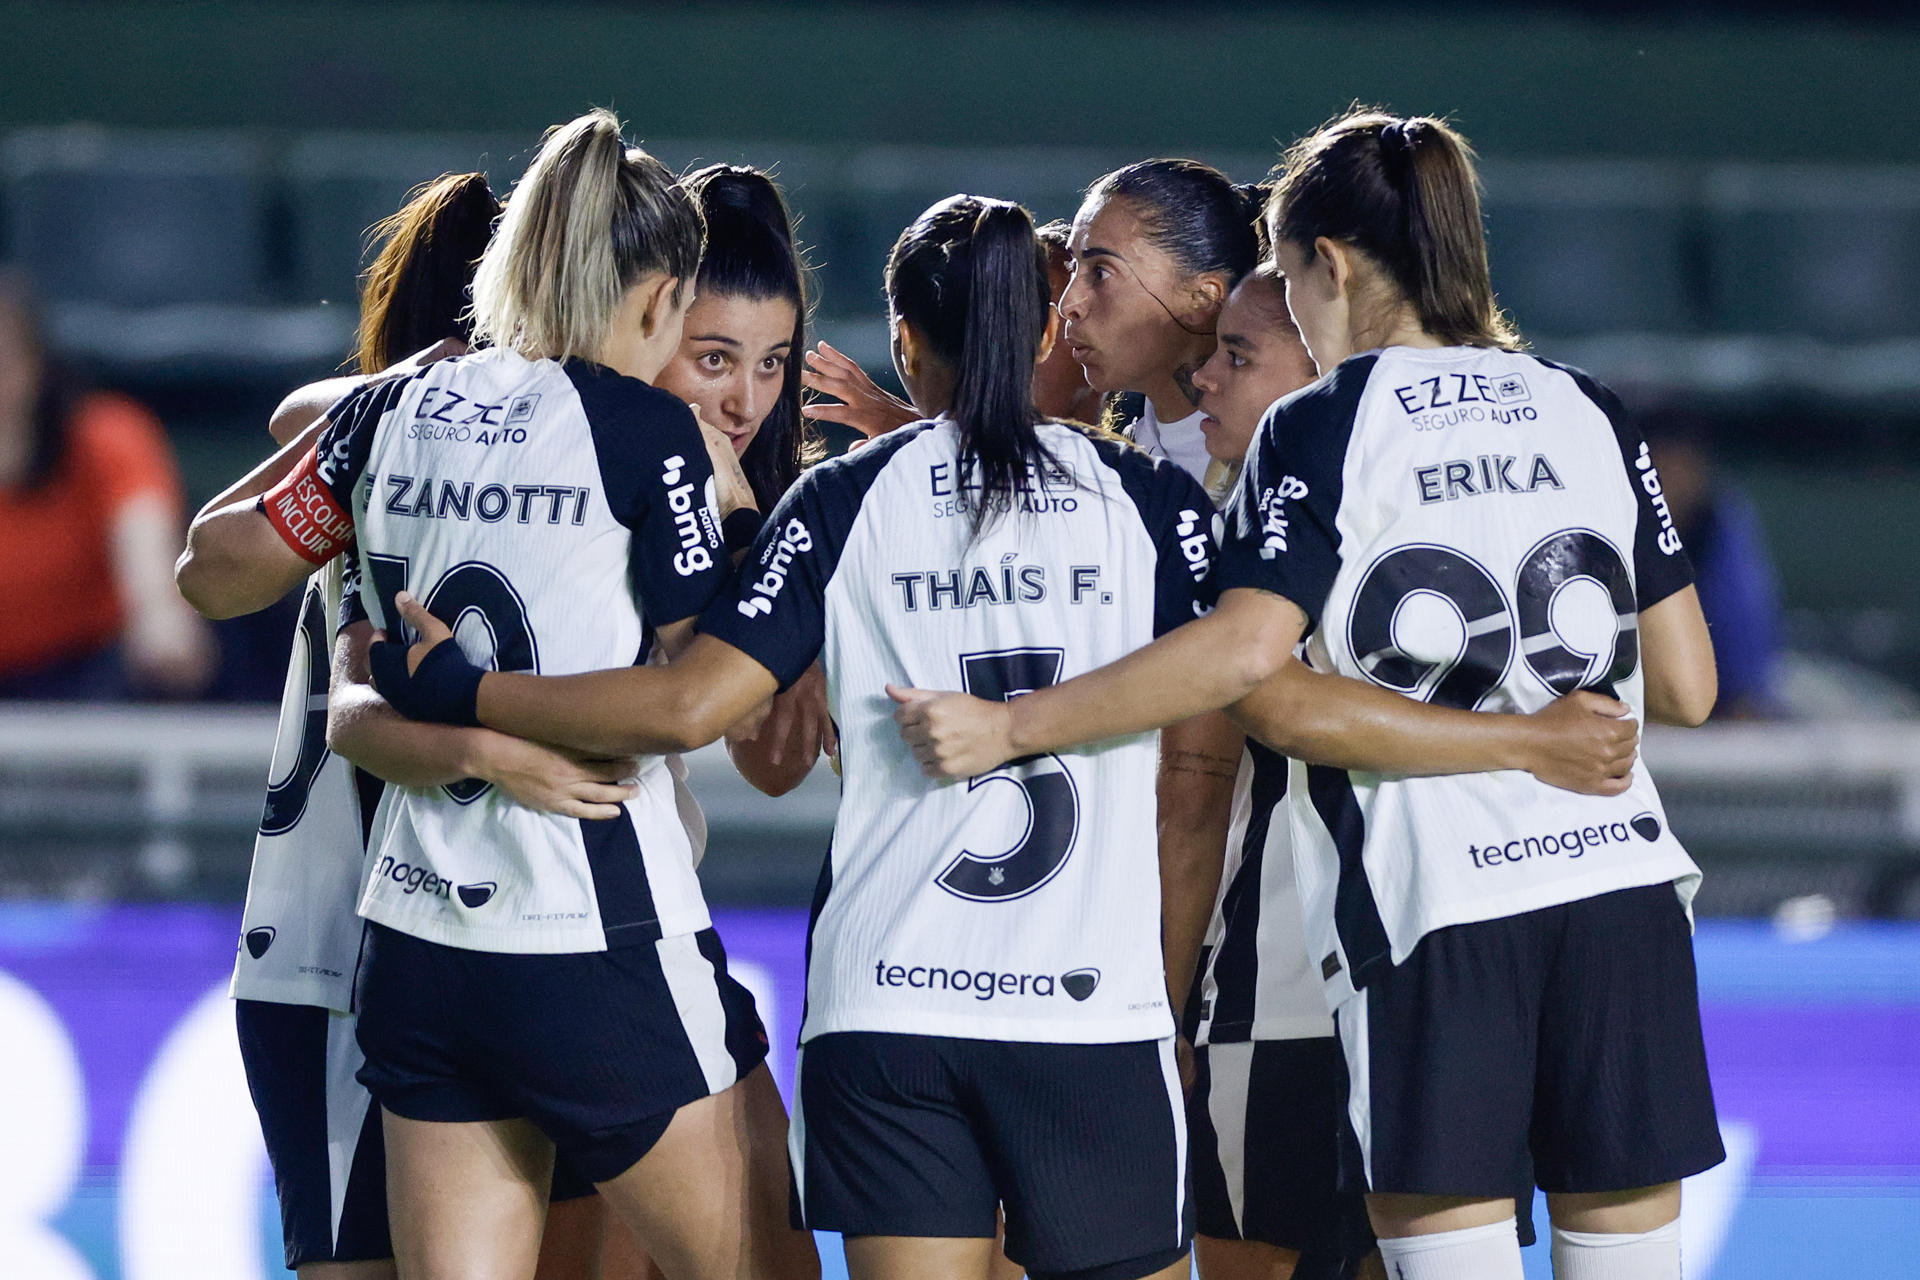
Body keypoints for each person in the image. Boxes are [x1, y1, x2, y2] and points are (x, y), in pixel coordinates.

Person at [357, 185, 1641, 1280]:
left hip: (887, 1009)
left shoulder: (841, 500)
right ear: (1044, 331)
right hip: (1089, 1017)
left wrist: (463, 693)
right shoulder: (1150, 502)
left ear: (905, 343)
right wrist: (1521, 736)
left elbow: (703, 713)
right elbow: (1256, 685)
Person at [891, 111, 1724, 1280]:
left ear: (1327, 265)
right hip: (1623, 896)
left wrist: (1015, 724)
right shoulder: (1586, 402)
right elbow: (1687, 684)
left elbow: (1255, 677)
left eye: (1284, 279)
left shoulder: (1324, 422)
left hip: (1441, 904)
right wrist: (1542, 734)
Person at [174, 109, 815, 1280]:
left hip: (416, 943)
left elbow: (225, 581)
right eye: (708, 344)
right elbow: (697, 700)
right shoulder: (648, 434)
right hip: (589, 934)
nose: (735, 394)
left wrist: (447, 713)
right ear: (660, 299)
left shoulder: (387, 411)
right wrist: (754, 526)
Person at [656, 163, 833, 796]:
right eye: (714, 360)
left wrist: (750, 540)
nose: (747, 405)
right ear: (649, 324)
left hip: (643, 842)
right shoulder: (570, 459)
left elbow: (775, 764)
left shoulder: (775, 504)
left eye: (771, 364)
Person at [0, 272, 214, 699]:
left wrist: (161, 620)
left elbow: (146, 551)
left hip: (89, 682)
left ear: (33, 365)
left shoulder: (108, 437)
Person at [796, 218, 1101, 443]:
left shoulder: (1125, 480)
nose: (1000, 336)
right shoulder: (883, 480)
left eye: (1028, 316)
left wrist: (924, 437)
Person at [1055, 160, 1261, 479]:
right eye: (1073, 267)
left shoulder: (1273, 463)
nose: (1068, 304)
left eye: (1101, 272)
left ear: (1202, 299)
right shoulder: (1113, 448)